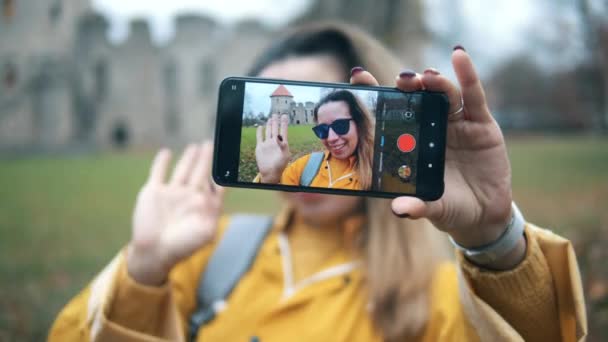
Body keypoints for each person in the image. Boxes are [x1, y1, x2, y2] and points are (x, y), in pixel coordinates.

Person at [49, 22, 586, 341]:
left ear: (370, 116)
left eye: (338, 120)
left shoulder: (437, 292)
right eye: (315, 123)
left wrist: (496, 243)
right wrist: (143, 269)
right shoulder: (206, 253)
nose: (327, 135)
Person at [255, 89, 375, 190]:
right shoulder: (307, 165)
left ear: (360, 123)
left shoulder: (379, 172)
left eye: (340, 126)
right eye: (322, 130)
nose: (331, 138)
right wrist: (268, 180)